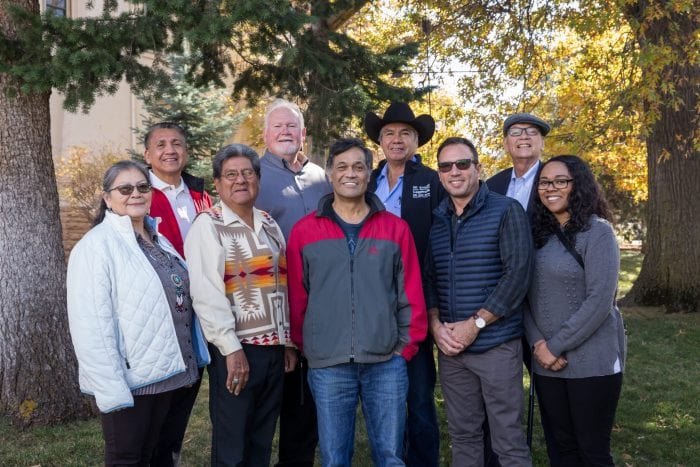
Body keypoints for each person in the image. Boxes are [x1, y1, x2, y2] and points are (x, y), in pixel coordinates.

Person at [287, 138, 428, 467]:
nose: (350, 173)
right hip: (329, 364)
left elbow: (410, 294)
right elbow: (297, 296)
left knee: (391, 457)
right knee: (335, 459)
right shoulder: (305, 232)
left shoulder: (395, 229)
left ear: (368, 175)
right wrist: (309, 346)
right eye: (342, 167)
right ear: (330, 175)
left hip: (386, 363)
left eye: (359, 167)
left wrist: (404, 348)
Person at [67, 160, 210, 466]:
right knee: (128, 458)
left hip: (173, 374)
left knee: (161, 455)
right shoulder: (95, 248)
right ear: (107, 198)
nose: (136, 193)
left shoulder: (158, 237)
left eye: (143, 186)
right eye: (125, 188)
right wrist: (111, 390)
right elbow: (90, 327)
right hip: (133, 380)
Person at [184, 144, 297, 466]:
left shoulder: (270, 224)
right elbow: (206, 292)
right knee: (233, 444)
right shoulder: (209, 225)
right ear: (217, 184)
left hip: (274, 351)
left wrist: (286, 342)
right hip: (237, 349)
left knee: (261, 439)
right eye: (230, 174)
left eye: (248, 172)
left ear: (258, 179)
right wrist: (231, 350)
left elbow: (282, 285)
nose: (240, 180)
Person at [424, 137, 533, 466]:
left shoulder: (506, 210)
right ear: (440, 175)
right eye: (445, 166)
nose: (454, 171)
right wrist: (435, 327)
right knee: (463, 436)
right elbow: (430, 278)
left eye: (462, 164)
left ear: (478, 168)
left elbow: (517, 276)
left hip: (496, 345)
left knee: (508, 440)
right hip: (453, 350)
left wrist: (477, 324)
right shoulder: (439, 219)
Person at [527, 155, 626, 466]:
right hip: (546, 363)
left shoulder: (599, 232)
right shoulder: (535, 235)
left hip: (592, 361)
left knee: (591, 452)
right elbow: (523, 296)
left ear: (577, 185)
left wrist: (554, 346)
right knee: (561, 450)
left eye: (561, 181)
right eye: (545, 182)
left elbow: (600, 300)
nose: (551, 188)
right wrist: (537, 345)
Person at [364, 101, 444, 467]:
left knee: (419, 389)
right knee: (382, 388)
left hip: (415, 296)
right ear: (380, 140)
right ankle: (390, 455)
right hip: (371, 298)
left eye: (405, 134)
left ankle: (422, 458)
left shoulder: (431, 181)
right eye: (390, 133)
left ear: (416, 142)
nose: (397, 140)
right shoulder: (366, 182)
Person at [255, 98, 331, 467]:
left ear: (303, 134)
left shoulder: (321, 177)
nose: (285, 132)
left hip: (319, 306)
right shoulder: (252, 177)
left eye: (292, 127)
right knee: (268, 406)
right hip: (271, 308)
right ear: (266, 134)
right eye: (278, 127)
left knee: (305, 409)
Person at [486, 112, 557, 466]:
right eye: (516, 132)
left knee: (550, 389)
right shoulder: (494, 185)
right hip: (502, 300)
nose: (524, 137)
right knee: (501, 394)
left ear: (541, 141)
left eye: (532, 132)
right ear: (506, 143)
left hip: (546, 297)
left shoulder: (555, 180)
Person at [142, 121, 213, 466]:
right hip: (158, 313)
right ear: (147, 154)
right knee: (158, 404)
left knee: (186, 394)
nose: (169, 150)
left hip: (199, 314)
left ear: (186, 151)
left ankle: (170, 456)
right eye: (161, 145)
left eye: (176, 144)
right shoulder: (137, 194)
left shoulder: (201, 196)